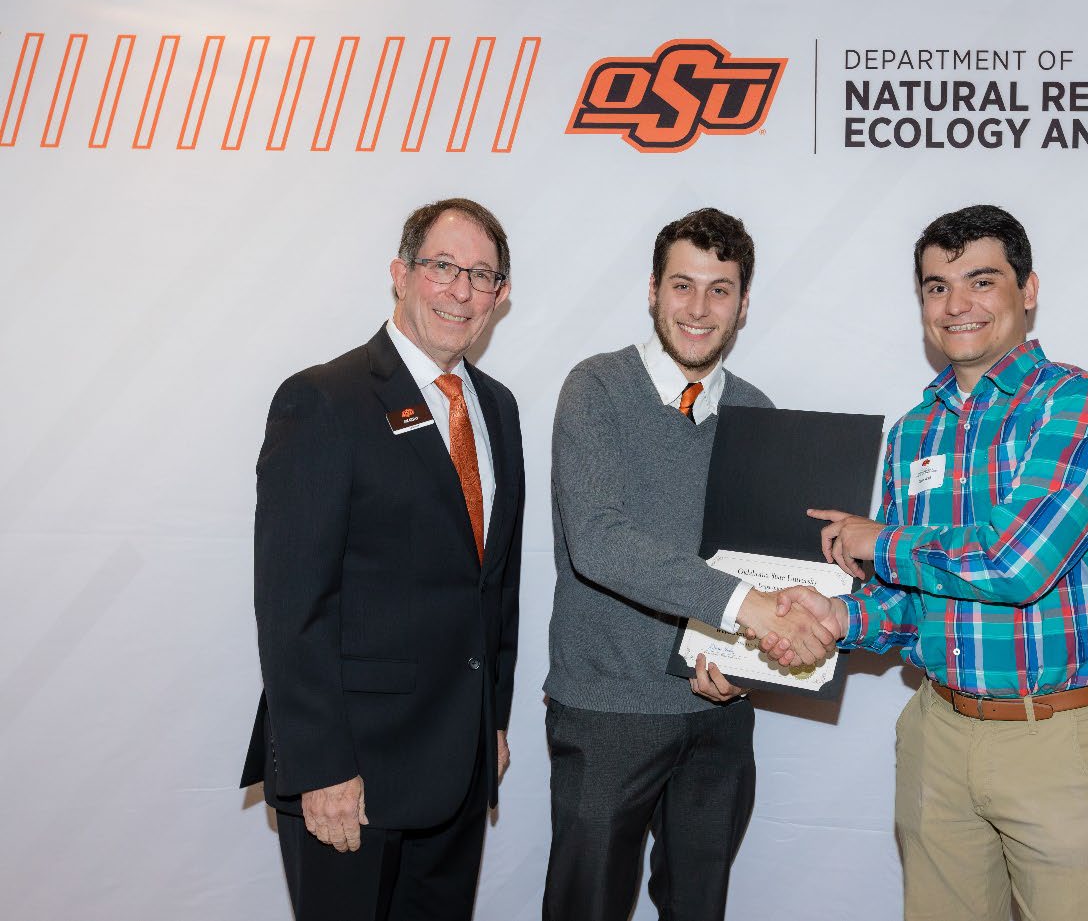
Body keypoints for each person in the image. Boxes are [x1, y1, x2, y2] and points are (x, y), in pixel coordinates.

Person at [771, 205, 1088, 921]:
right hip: (938, 732)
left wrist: (879, 541)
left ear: (1027, 290)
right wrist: (839, 614)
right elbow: (912, 600)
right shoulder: (915, 431)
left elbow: (1017, 564)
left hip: (1053, 740)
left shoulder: (1080, 404)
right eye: (937, 287)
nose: (957, 304)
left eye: (981, 280)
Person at [542, 207, 835, 921]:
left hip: (719, 712)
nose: (699, 309)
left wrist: (748, 657)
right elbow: (600, 541)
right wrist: (747, 609)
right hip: (608, 712)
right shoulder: (597, 388)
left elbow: (767, 566)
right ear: (652, 289)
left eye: (720, 289)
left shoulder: (757, 412)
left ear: (742, 304)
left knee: (699, 909)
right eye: (682, 285)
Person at [240, 198, 525, 921]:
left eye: (482, 275)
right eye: (444, 267)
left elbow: (493, 583)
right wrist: (323, 766)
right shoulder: (324, 400)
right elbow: (291, 606)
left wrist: (492, 718)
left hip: (456, 769)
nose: (462, 290)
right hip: (352, 777)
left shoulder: (498, 409)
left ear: (501, 296)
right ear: (400, 275)